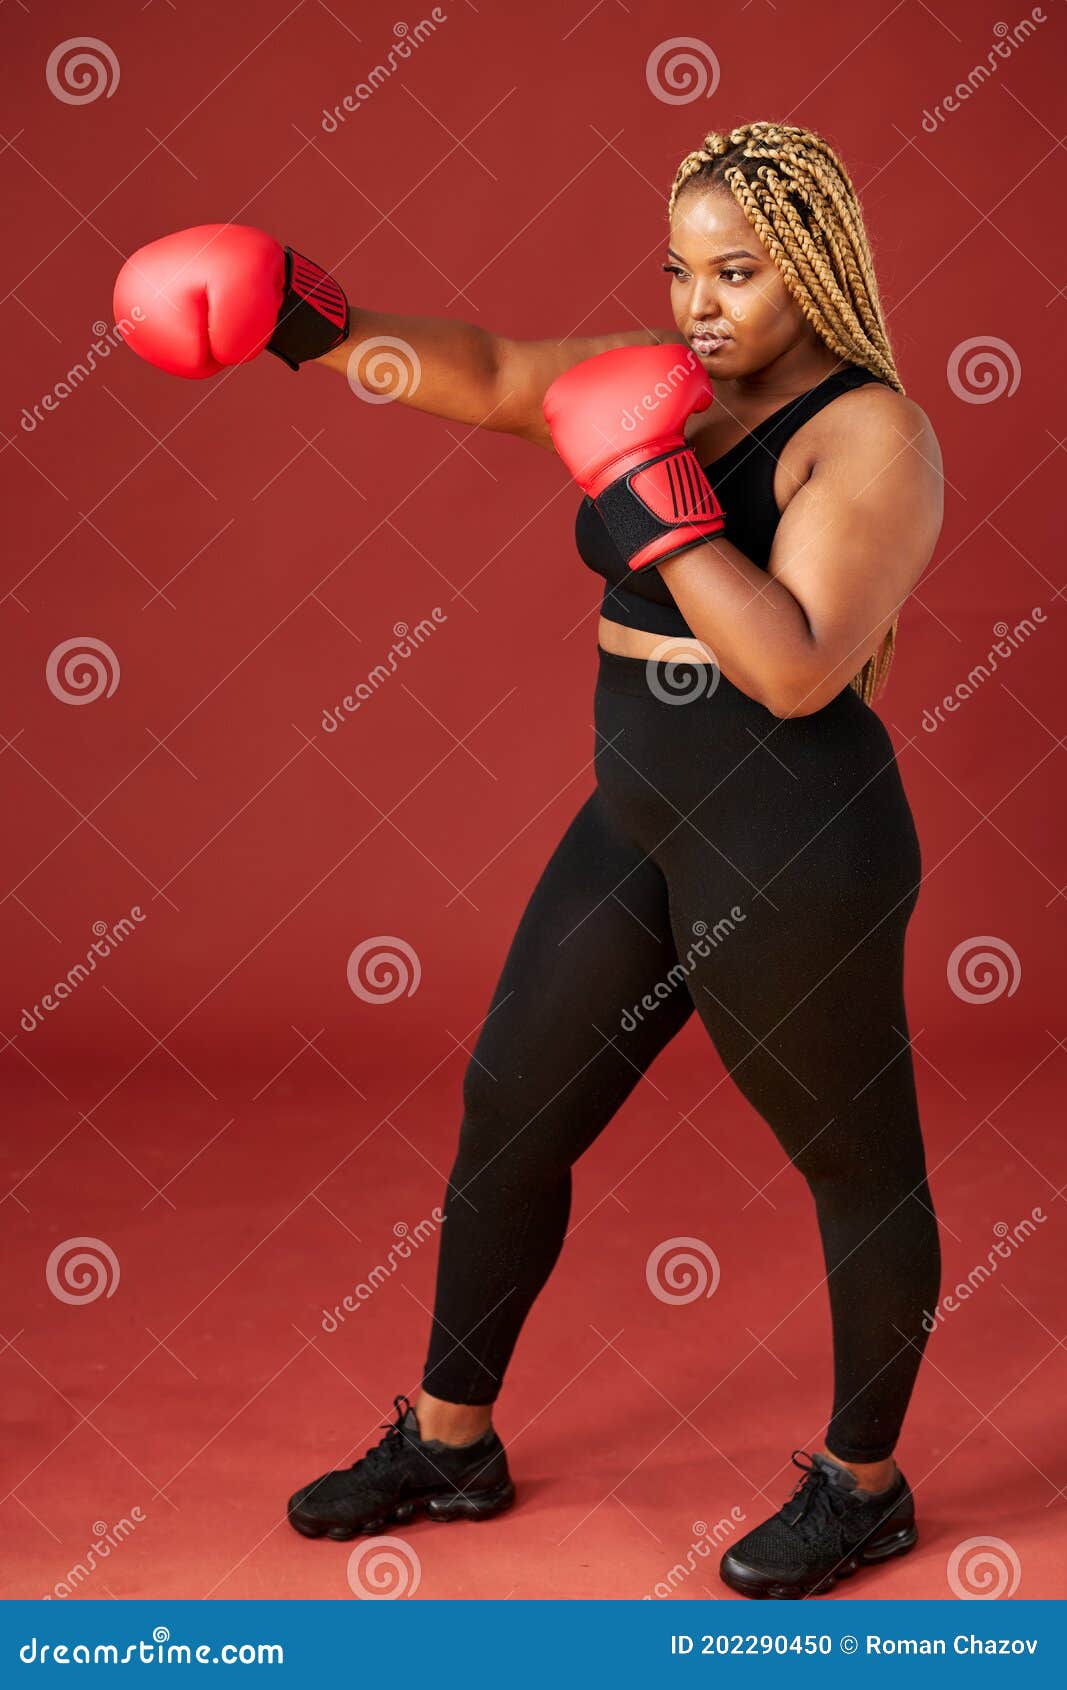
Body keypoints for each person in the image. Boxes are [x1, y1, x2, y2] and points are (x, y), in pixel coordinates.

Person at [113, 119, 944, 1600]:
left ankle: (866, 1486)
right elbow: (496, 371)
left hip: (793, 832)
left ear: (813, 268)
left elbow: (802, 667)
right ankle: (451, 1440)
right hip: (640, 812)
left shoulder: (864, 432)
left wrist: (653, 492)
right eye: (683, 269)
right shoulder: (674, 378)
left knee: (851, 1160)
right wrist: (313, 324)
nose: (701, 302)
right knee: (512, 1101)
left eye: (740, 272)